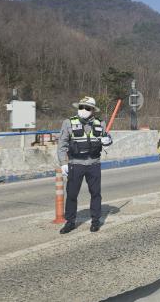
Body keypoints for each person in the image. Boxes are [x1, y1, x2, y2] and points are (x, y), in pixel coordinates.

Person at [57, 96, 112, 234]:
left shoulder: (101, 123)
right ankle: (70, 222)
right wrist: (63, 163)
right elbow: (62, 144)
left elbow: (107, 139)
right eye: (81, 107)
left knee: (95, 193)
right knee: (72, 194)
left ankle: (95, 221)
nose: (83, 110)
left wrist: (107, 141)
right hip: (75, 164)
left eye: (87, 108)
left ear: (93, 110)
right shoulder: (68, 123)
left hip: (94, 164)